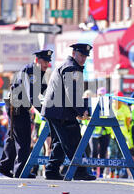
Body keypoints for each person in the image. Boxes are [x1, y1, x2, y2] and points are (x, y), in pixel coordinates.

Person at [41, 43, 96, 181]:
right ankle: (79, 171)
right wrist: (82, 110)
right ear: (74, 54)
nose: (83, 58)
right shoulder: (71, 68)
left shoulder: (69, 66)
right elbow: (71, 93)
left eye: (85, 56)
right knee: (74, 140)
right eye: (81, 55)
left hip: (57, 110)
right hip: (60, 111)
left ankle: (51, 171)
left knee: (60, 142)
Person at [0, 49, 52, 178]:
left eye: (48, 62)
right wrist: (44, 112)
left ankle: (4, 166)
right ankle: (21, 171)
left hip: (17, 105)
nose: (47, 64)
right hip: (17, 106)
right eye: (44, 61)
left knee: (13, 136)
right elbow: (32, 95)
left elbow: (44, 89)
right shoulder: (31, 72)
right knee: (23, 139)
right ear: (37, 60)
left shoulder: (37, 71)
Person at [89, 87, 110, 178]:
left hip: (106, 131)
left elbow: (111, 117)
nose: (101, 97)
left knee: (103, 152)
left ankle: (101, 171)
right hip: (94, 131)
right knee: (94, 151)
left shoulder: (109, 104)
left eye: (103, 95)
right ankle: (93, 170)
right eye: (100, 95)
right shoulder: (93, 103)